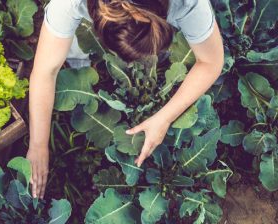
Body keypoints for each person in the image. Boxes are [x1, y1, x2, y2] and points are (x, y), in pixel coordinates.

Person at [27, 0, 224, 199]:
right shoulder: (68, 3)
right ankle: (82, 56)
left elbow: (211, 61)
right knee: (71, 46)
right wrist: (37, 145)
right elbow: (46, 71)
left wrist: (163, 118)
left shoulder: (189, 3)